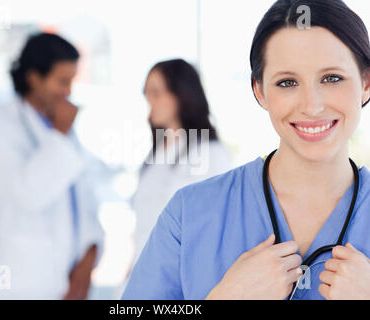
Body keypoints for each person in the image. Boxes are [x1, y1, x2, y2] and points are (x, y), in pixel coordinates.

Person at [122, 0, 370, 300]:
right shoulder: (189, 213)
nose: (311, 106)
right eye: (287, 82)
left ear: (366, 82)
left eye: (332, 78)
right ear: (260, 90)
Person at [0, 33, 104, 300]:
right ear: (34, 78)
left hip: (73, 285)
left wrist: (89, 258)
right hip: (25, 285)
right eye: (62, 82)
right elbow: (27, 194)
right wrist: (59, 134)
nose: (68, 92)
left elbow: (87, 203)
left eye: (71, 82)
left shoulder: (65, 133)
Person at [130, 59, 232, 268]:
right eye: (147, 93)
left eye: (157, 93)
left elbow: (215, 231)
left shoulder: (211, 153)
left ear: (181, 94)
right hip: (144, 272)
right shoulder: (156, 154)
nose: (150, 101)